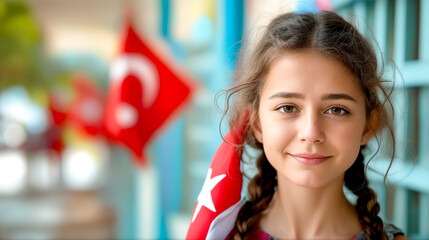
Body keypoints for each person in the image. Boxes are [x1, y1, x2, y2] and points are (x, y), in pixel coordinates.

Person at [221, 11, 409, 240]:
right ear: (256, 123)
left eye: (336, 110)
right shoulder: (217, 233)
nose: (310, 133)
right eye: (287, 108)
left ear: (369, 125)